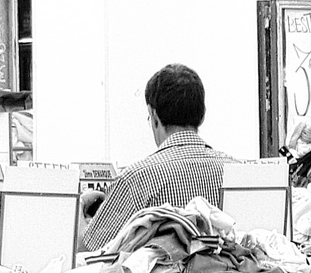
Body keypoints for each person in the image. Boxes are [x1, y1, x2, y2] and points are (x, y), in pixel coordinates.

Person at [79, 64, 229, 252]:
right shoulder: (238, 173)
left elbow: (87, 252)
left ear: (153, 114)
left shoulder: (135, 179)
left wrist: (80, 206)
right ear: (203, 114)